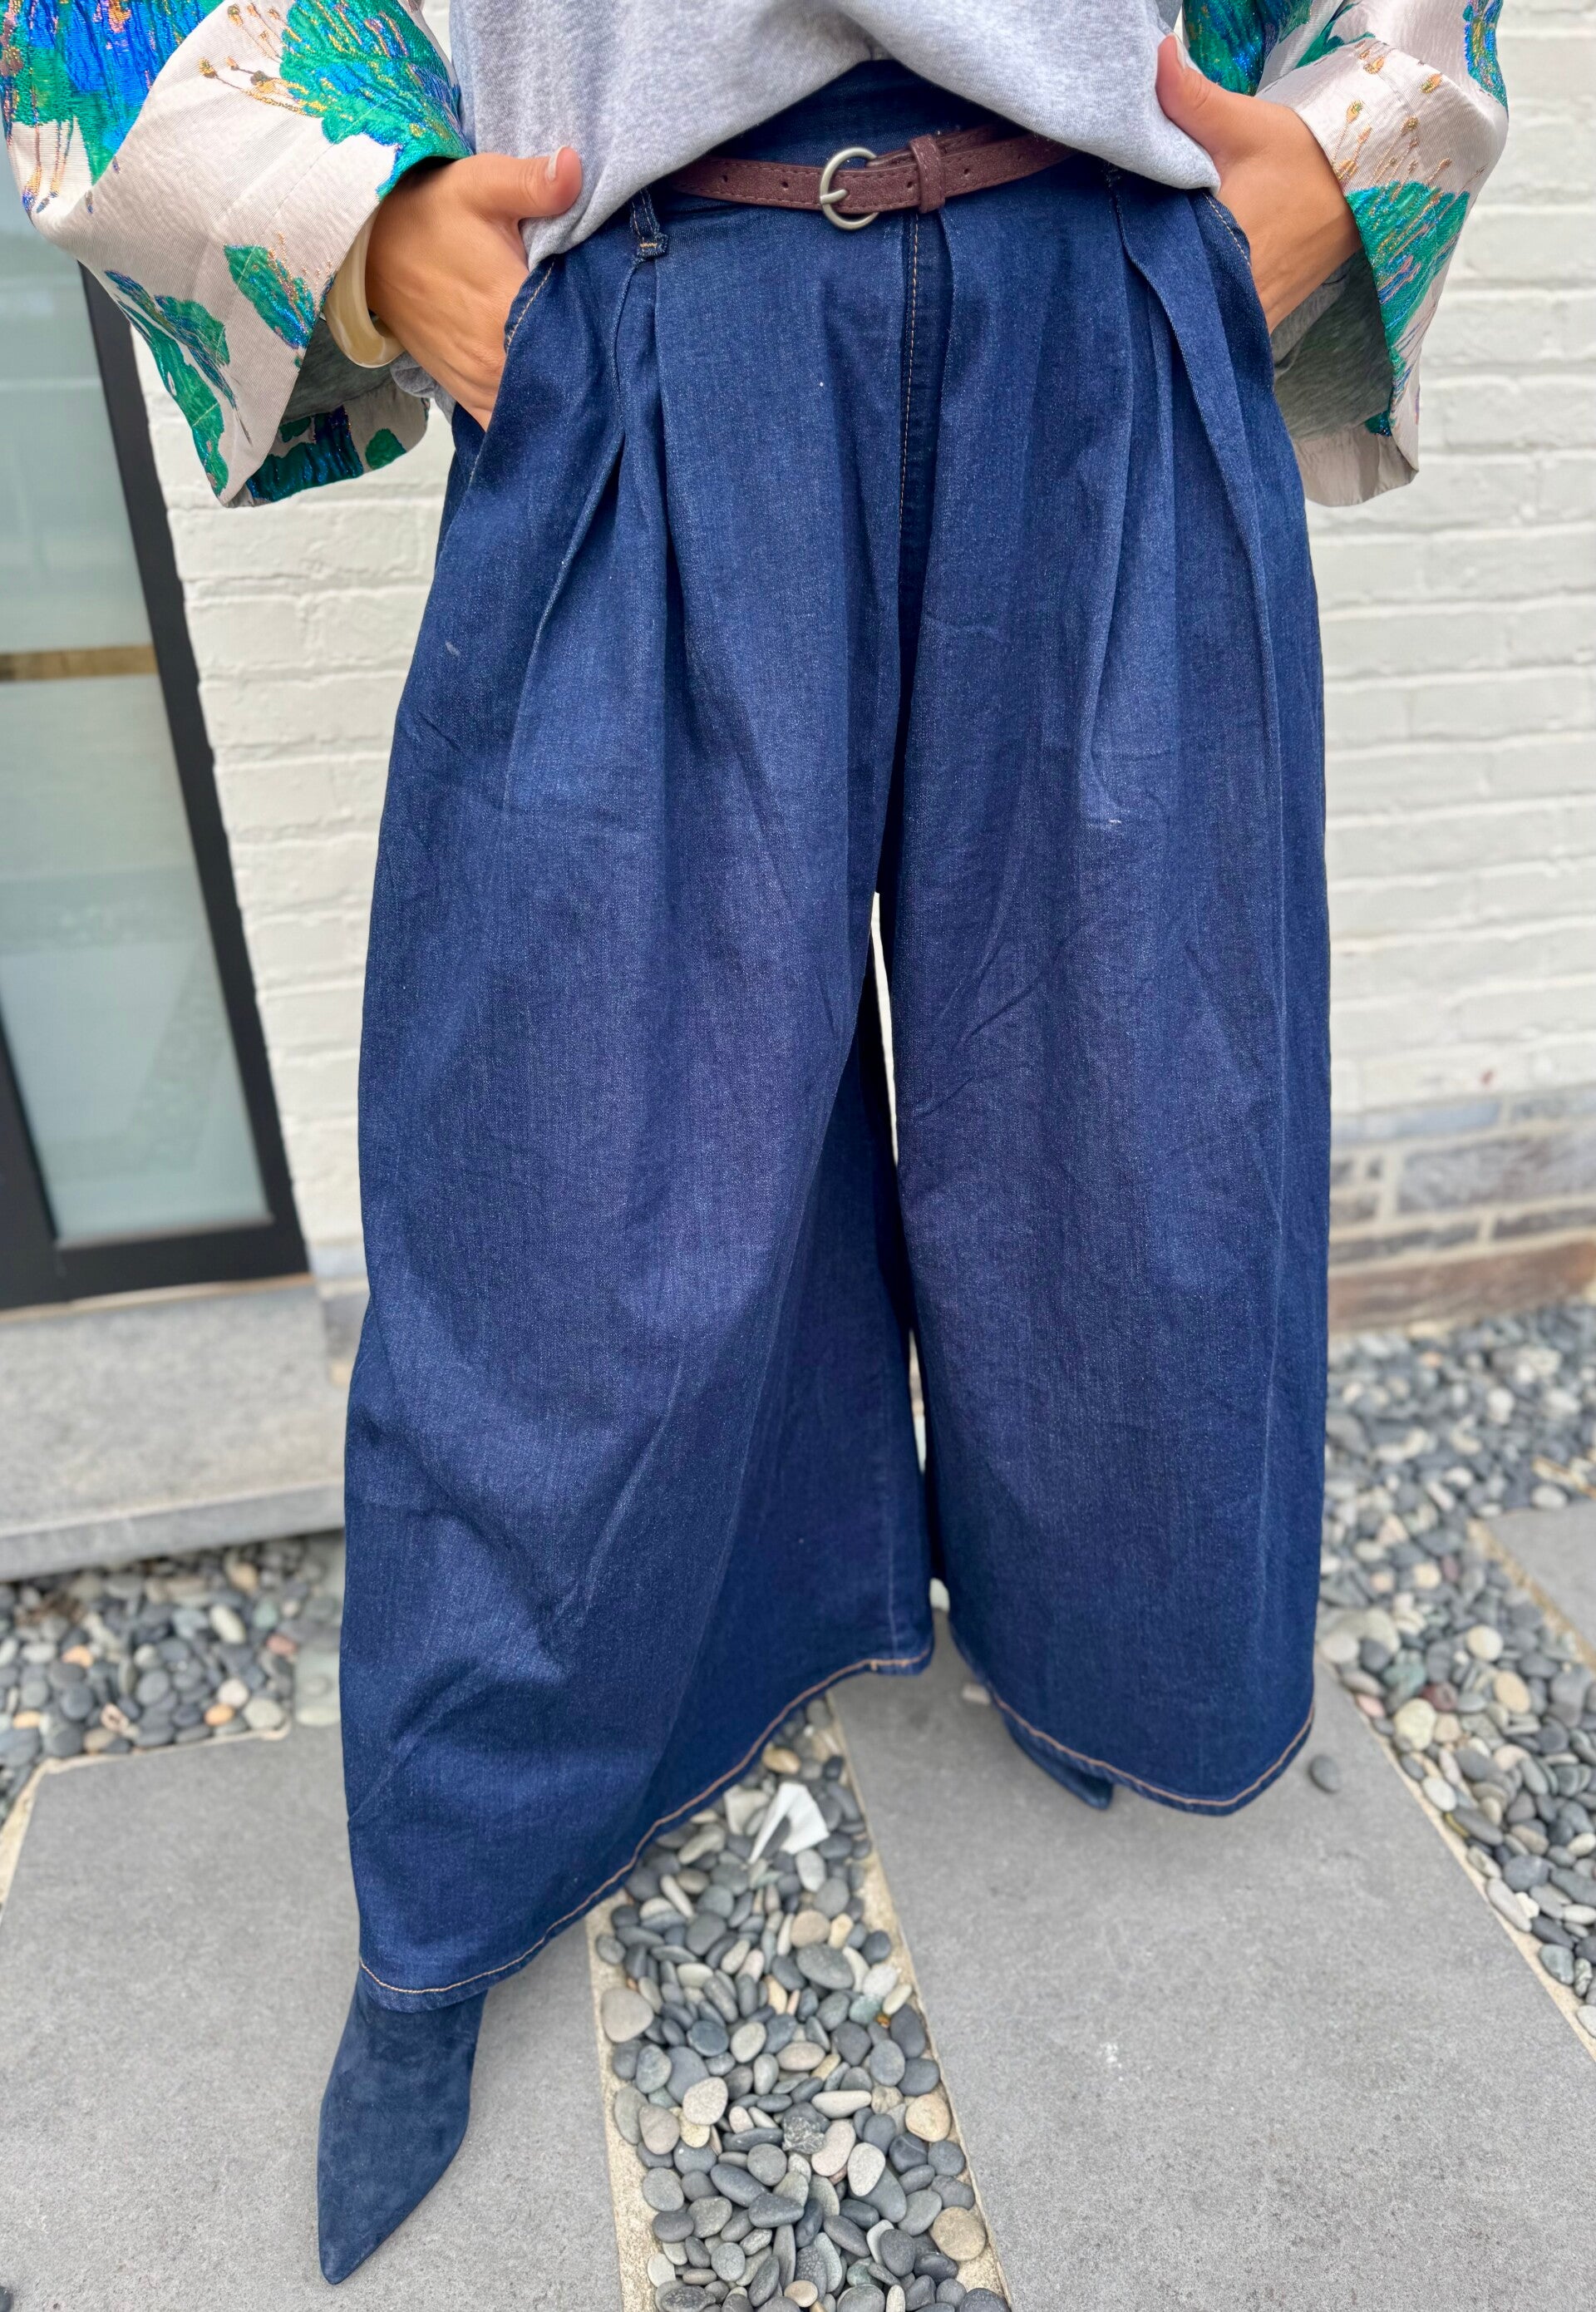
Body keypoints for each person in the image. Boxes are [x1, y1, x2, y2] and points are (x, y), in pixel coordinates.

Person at [6, 0, 1506, 2285]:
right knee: (559, 1176)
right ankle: (466, 1866)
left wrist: (1361, 136)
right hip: (643, 306)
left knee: (1131, 1131)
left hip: (1105, 291)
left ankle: (1106, 1651)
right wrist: (339, 226)